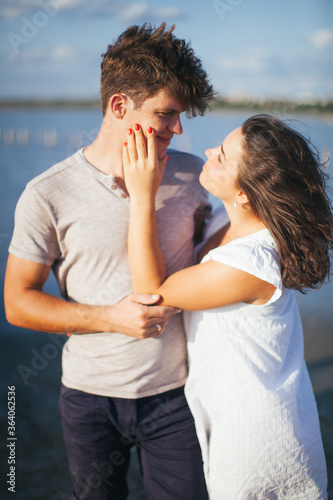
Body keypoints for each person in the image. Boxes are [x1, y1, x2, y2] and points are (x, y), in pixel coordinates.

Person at [4, 23, 215, 499]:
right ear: (120, 106)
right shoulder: (47, 194)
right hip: (88, 397)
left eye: (180, 115)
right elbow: (17, 303)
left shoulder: (194, 175)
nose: (178, 129)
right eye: (166, 113)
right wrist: (111, 319)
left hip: (176, 394)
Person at [123, 114, 332, 499]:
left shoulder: (252, 263)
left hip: (258, 439)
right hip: (235, 414)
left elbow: (151, 290)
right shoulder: (227, 217)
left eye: (220, 156)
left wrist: (142, 195)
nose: (207, 152)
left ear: (244, 194)